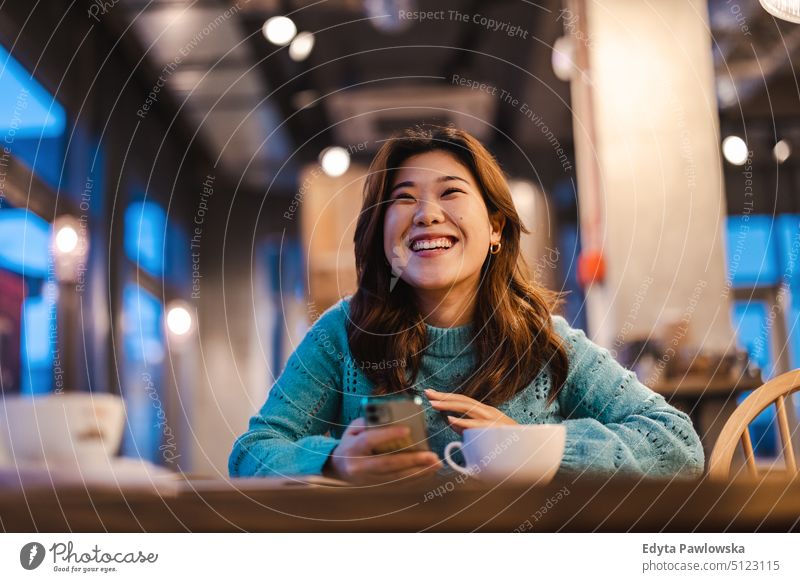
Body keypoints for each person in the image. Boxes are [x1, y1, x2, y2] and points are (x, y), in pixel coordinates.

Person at [229, 125, 704, 484]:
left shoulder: (545, 342)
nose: (427, 213)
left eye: (451, 192)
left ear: (496, 227)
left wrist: (534, 448)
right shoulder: (342, 335)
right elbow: (250, 454)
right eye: (404, 198)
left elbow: (678, 445)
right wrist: (335, 458)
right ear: (381, 234)